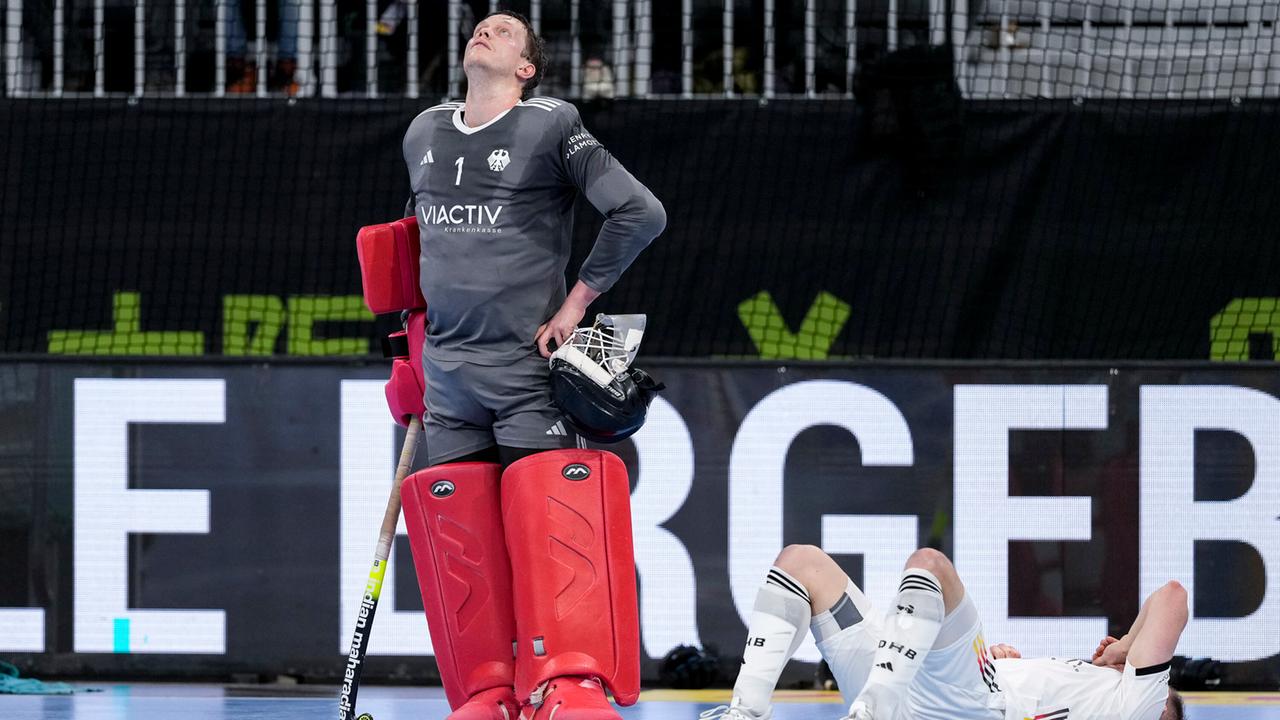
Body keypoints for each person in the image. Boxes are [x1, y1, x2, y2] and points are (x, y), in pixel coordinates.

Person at [395, 9, 666, 720]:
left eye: (505, 31)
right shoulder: (423, 131)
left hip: (525, 373)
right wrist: (406, 354)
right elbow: (410, 248)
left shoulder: (550, 124)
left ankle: (565, 686)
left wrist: (576, 305)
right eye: (480, 25)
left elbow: (640, 213)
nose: (484, 30)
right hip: (448, 379)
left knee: (547, 540)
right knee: (466, 547)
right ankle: (489, 694)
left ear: (526, 68)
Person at [705, 545, 1187, 720]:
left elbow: (1171, 598)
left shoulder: (1140, 705)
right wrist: (1004, 664)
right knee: (802, 564)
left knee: (931, 565)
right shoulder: (1092, 691)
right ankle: (745, 712)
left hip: (964, 705)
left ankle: (876, 708)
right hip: (919, 685)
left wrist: (1124, 648)